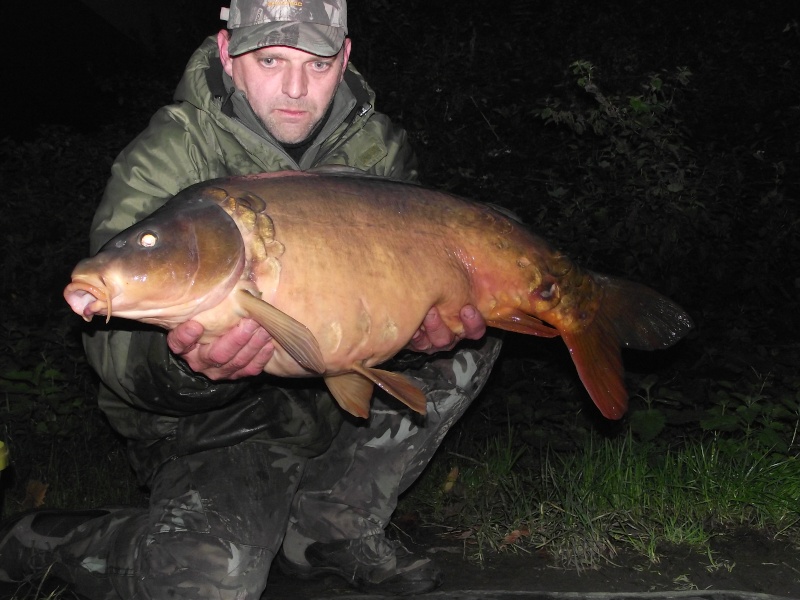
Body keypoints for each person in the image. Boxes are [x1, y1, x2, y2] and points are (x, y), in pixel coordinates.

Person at [0, 1, 502, 598]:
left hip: (329, 387)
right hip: (214, 424)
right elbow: (113, 360)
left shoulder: (377, 151)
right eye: (269, 59)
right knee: (212, 582)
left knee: (492, 309)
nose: (295, 87)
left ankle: (327, 529)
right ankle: (43, 542)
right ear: (227, 56)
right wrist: (193, 369)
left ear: (343, 60)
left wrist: (417, 339)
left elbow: (399, 296)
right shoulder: (168, 155)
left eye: (316, 64)